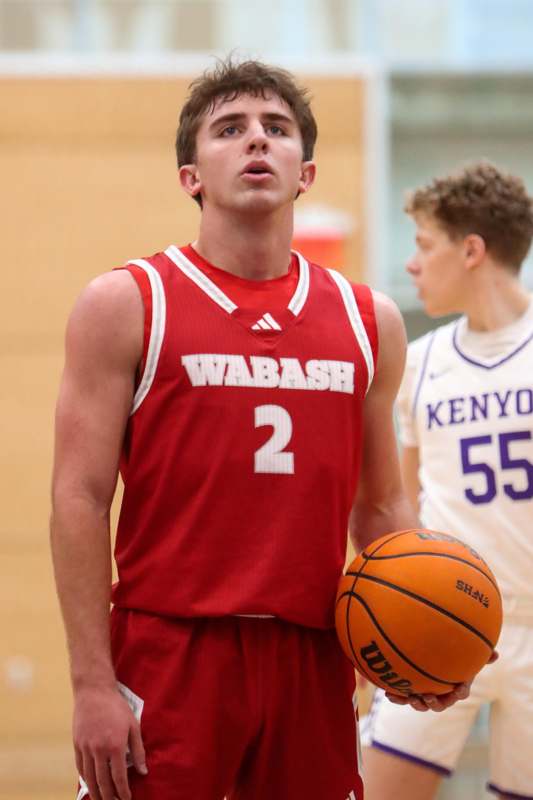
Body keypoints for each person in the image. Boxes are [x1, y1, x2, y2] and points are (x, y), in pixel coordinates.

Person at [50, 59, 472, 800]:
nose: (256, 142)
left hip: (312, 656)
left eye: (276, 130)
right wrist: (91, 683)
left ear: (304, 172)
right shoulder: (126, 303)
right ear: (191, 176)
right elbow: (79, 499)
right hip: (169, 652)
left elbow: (379, 508)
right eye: (230, 129)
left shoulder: (365, 319)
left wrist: (425, 639)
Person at [362, 161, 533, 800]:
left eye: (423, 245)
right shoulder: (422, 361)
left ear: (471, 250)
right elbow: (398, 508)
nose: (411, 264)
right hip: (444, 617)